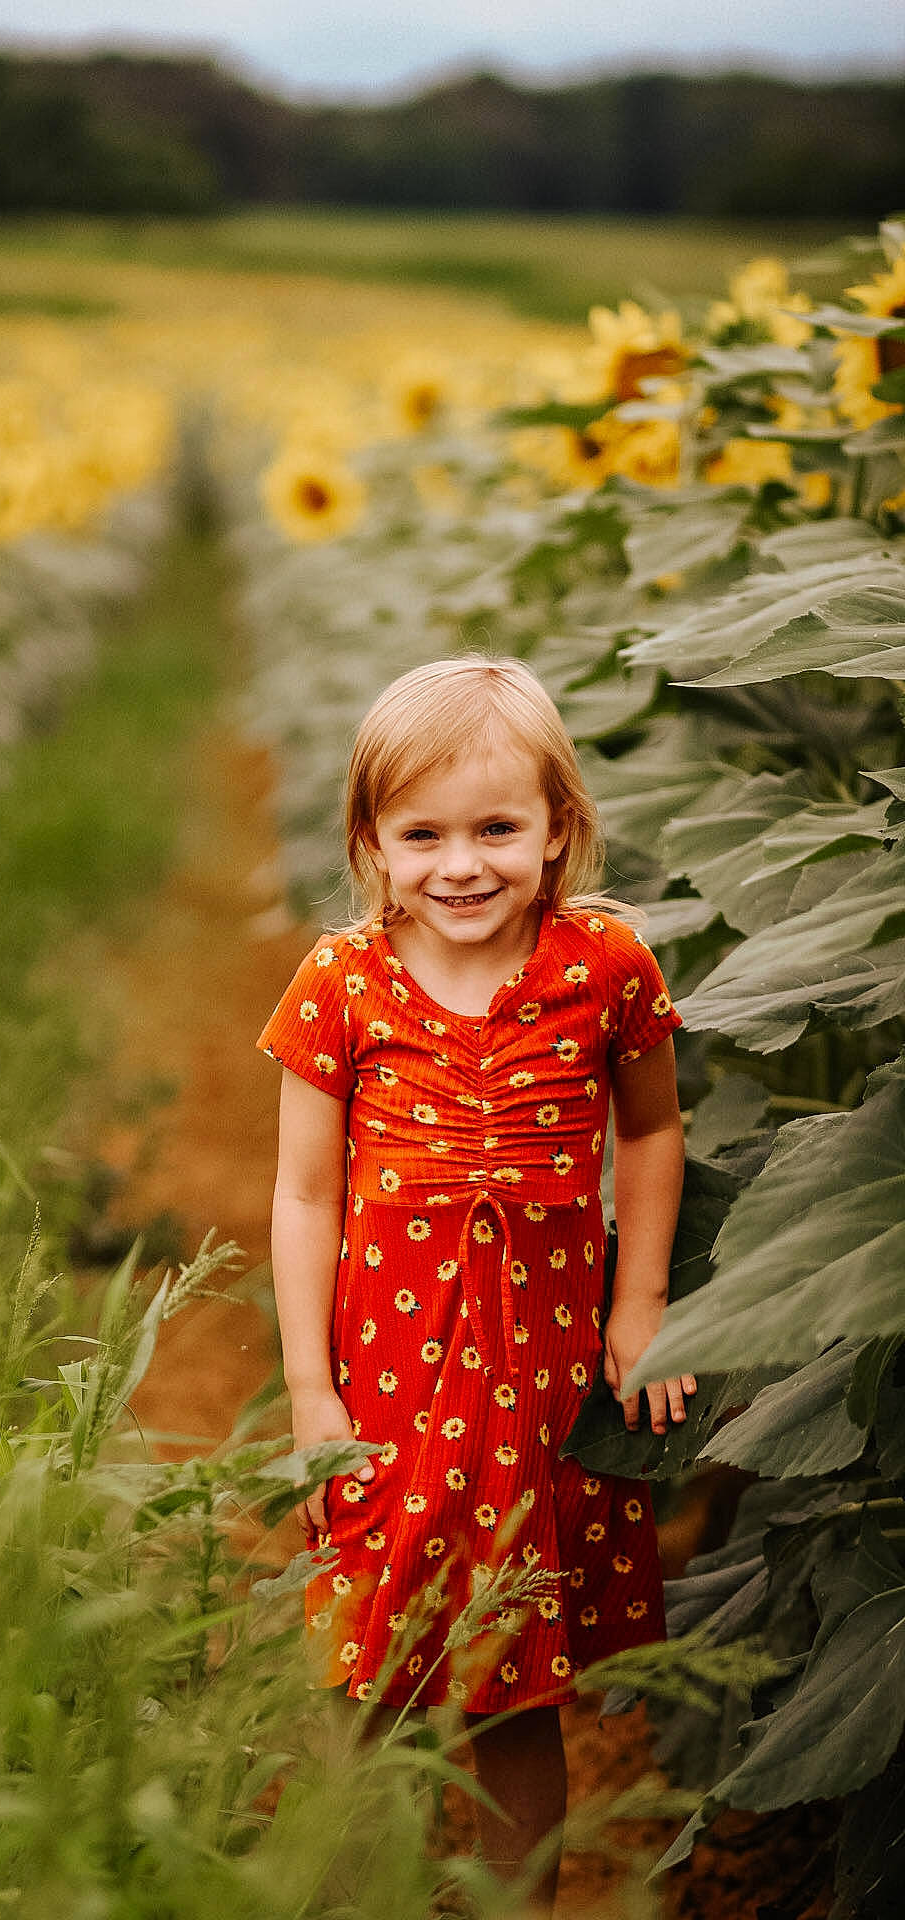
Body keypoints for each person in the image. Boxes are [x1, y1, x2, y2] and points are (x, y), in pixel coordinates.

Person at [256, 656, 693, 1913]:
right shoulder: (342, 983)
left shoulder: (603, 966)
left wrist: (639, 1301)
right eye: (422, 834)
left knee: (515, 1686)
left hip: (538, 1398)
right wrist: (304, 1385)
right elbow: (303, 1194)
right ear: (371, 845)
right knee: (372, 1677)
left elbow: (651, 1135)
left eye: (497, 827)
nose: (461, 863)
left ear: (557, 828)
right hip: (387, 1396)